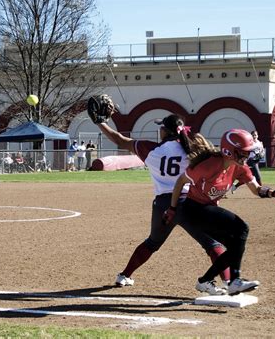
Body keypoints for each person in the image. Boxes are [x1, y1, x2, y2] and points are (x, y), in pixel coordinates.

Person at [95, 112, 230, 291]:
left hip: (163, 205)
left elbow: (119, 140)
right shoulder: (194, 150)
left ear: (165, 131)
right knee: (213, 243)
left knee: (152, 242)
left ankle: (124, 275)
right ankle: (229, 283)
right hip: (191, 203)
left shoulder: (151, 149)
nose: (160, 130)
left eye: (161, 127)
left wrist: (100, 122)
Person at [164, 129, 275, 295]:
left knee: (235, 246)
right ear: (228, 151)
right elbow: (180, 182)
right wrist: (173, 209)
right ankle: (234, 281)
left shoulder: (240, 168)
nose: (246, 156)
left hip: (207, 210)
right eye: (243, 152)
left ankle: (204, 282)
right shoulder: (209, 165)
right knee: (242, 228)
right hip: (193, 210)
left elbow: (257, 189)